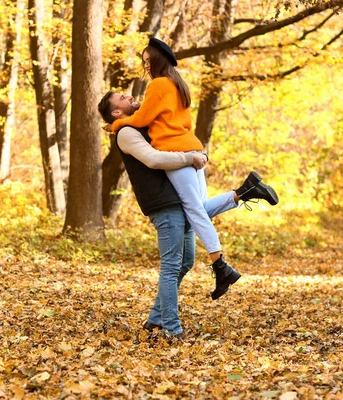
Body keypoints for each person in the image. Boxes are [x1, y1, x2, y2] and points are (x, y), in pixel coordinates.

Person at [103, 37, 279, 300]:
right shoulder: (177, 83)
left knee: (194, 209)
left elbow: (140, 119)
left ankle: (220, 266)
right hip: (192, 148)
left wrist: (113, 126)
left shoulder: (158, 85)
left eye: (146, 61)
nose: (145, 66)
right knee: (198, 207)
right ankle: (245, 192)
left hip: (176, 153)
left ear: (155, 61)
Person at [98, 90, 278, 339]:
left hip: (173, 196)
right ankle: (172, 329)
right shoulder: (126, 133)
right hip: (162, 203)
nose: (128, 97)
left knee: (185, 261)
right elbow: (152, 159)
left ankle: (155, 318)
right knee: (172, 266)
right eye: (122, 99)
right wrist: (189, 158)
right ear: (116, 112)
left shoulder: (136, 123)